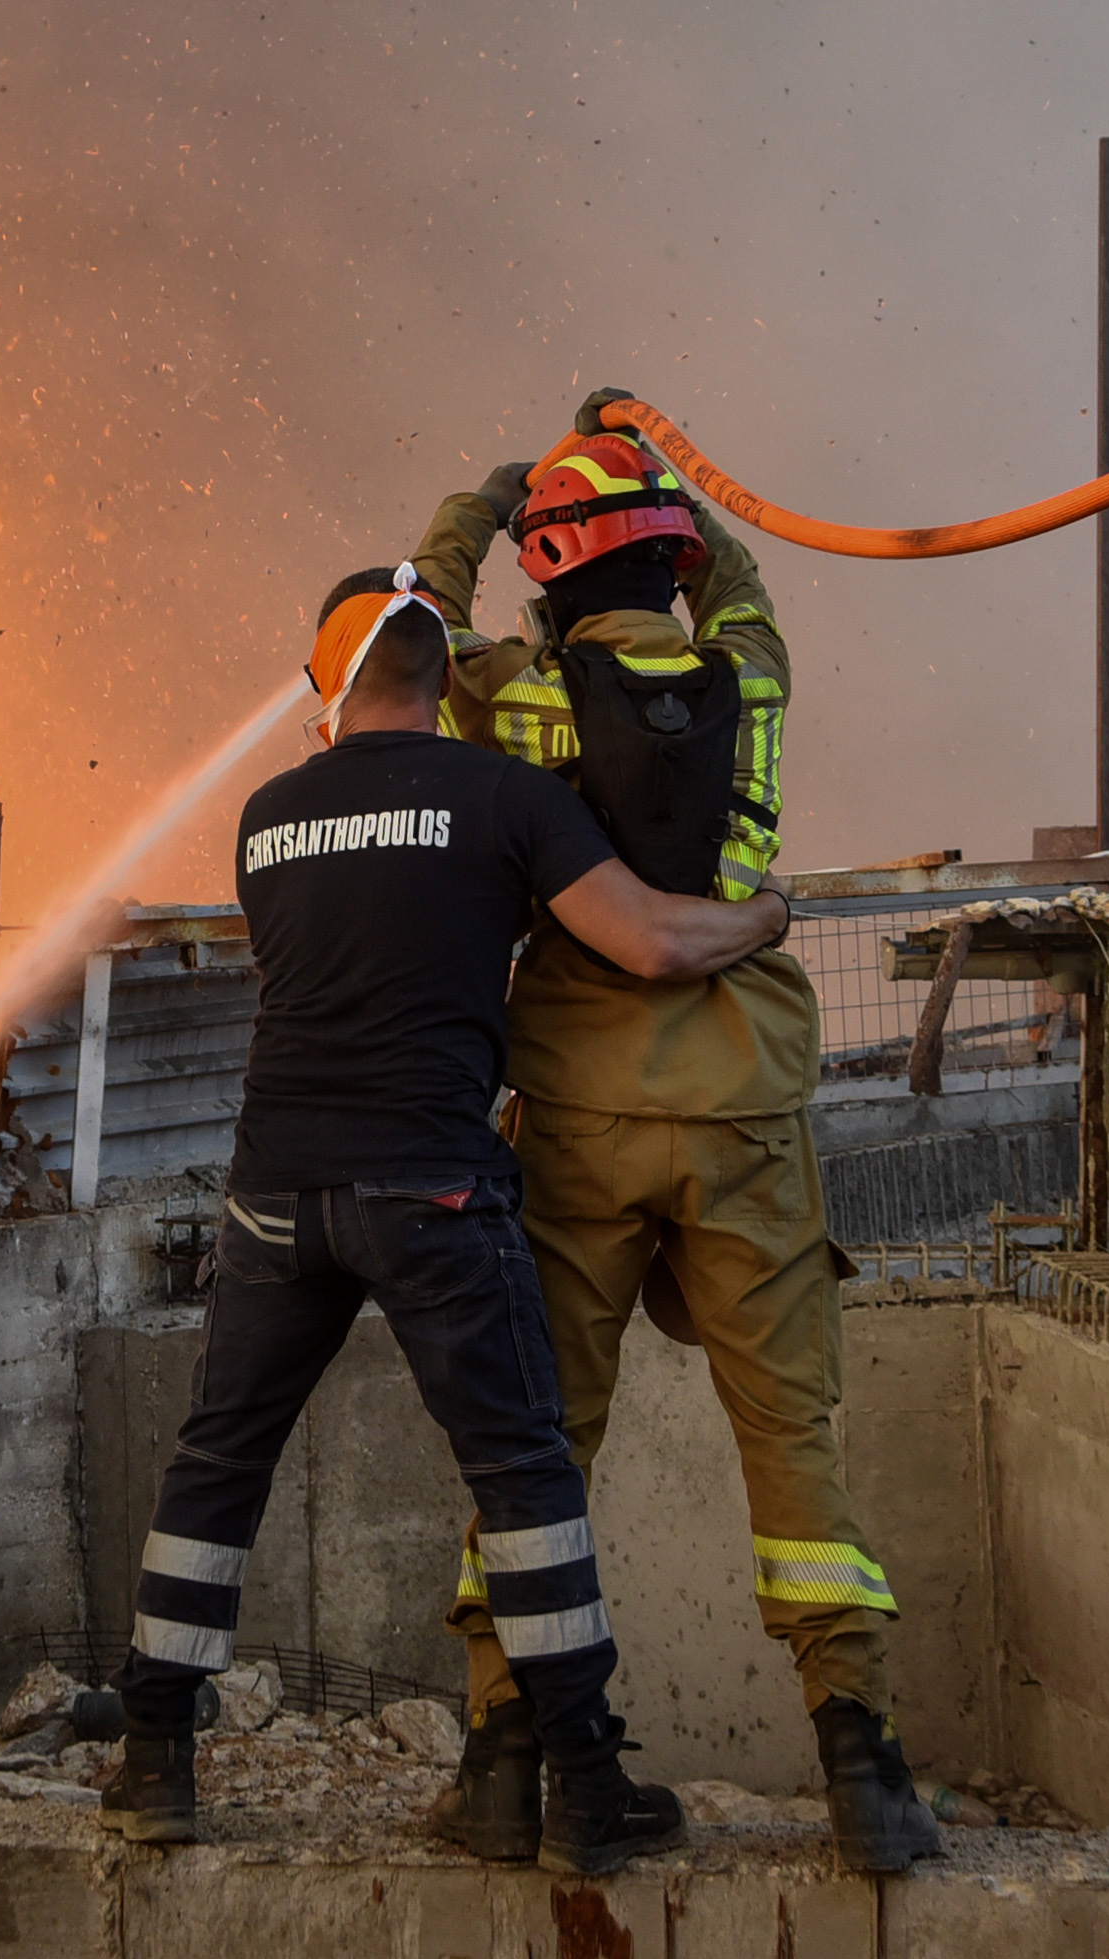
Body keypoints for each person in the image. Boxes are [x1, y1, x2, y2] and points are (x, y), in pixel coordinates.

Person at [105, 561, 796, 1876]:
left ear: (328, 682)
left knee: (216, 1462)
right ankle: (586, 1783)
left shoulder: (264, 815)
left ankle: (152, 1758)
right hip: (429, 1186)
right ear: (440, 676)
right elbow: (649, 941)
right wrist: (766, 913)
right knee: (522, 1471)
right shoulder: (503, 796)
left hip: (273, 1190)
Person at [404, 398, 941, 1875]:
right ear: (677, 559)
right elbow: (749, 590)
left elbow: (416, 621)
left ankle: (505, 1753)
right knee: (790, 1435)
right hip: (747, 1105)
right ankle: (864, 1766)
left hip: (576, 1110)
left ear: (554, 569)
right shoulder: (750, 678)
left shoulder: (514, 698)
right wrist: (668, 480)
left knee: (541, 1442)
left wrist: (489, 490)